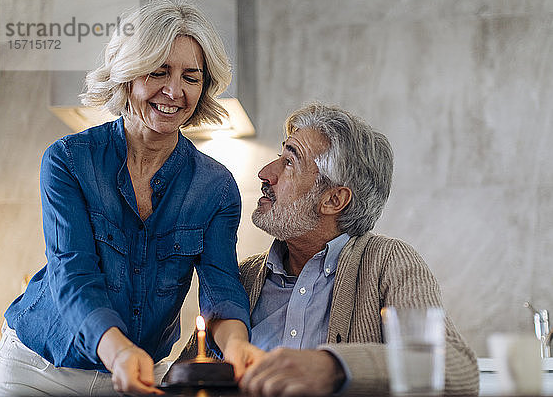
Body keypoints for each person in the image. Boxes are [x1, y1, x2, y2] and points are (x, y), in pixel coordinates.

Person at [0, 0, 262, 396]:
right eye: (159, 71)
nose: (175, 91)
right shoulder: (68, 160)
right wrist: (117, 353)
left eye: (191, 77)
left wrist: (237, 347)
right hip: (38, 369)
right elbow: (74, 274)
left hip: (140, 372)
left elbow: (221, 289)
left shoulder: (216, 187)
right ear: (128, 74)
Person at [176, 102, 479, 396]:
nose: (266, 173)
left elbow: (457, 369)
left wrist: (332, 367)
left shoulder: (389, 263)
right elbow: (182, 378)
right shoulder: (245, 277)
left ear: (334, 200)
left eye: (289, 161)